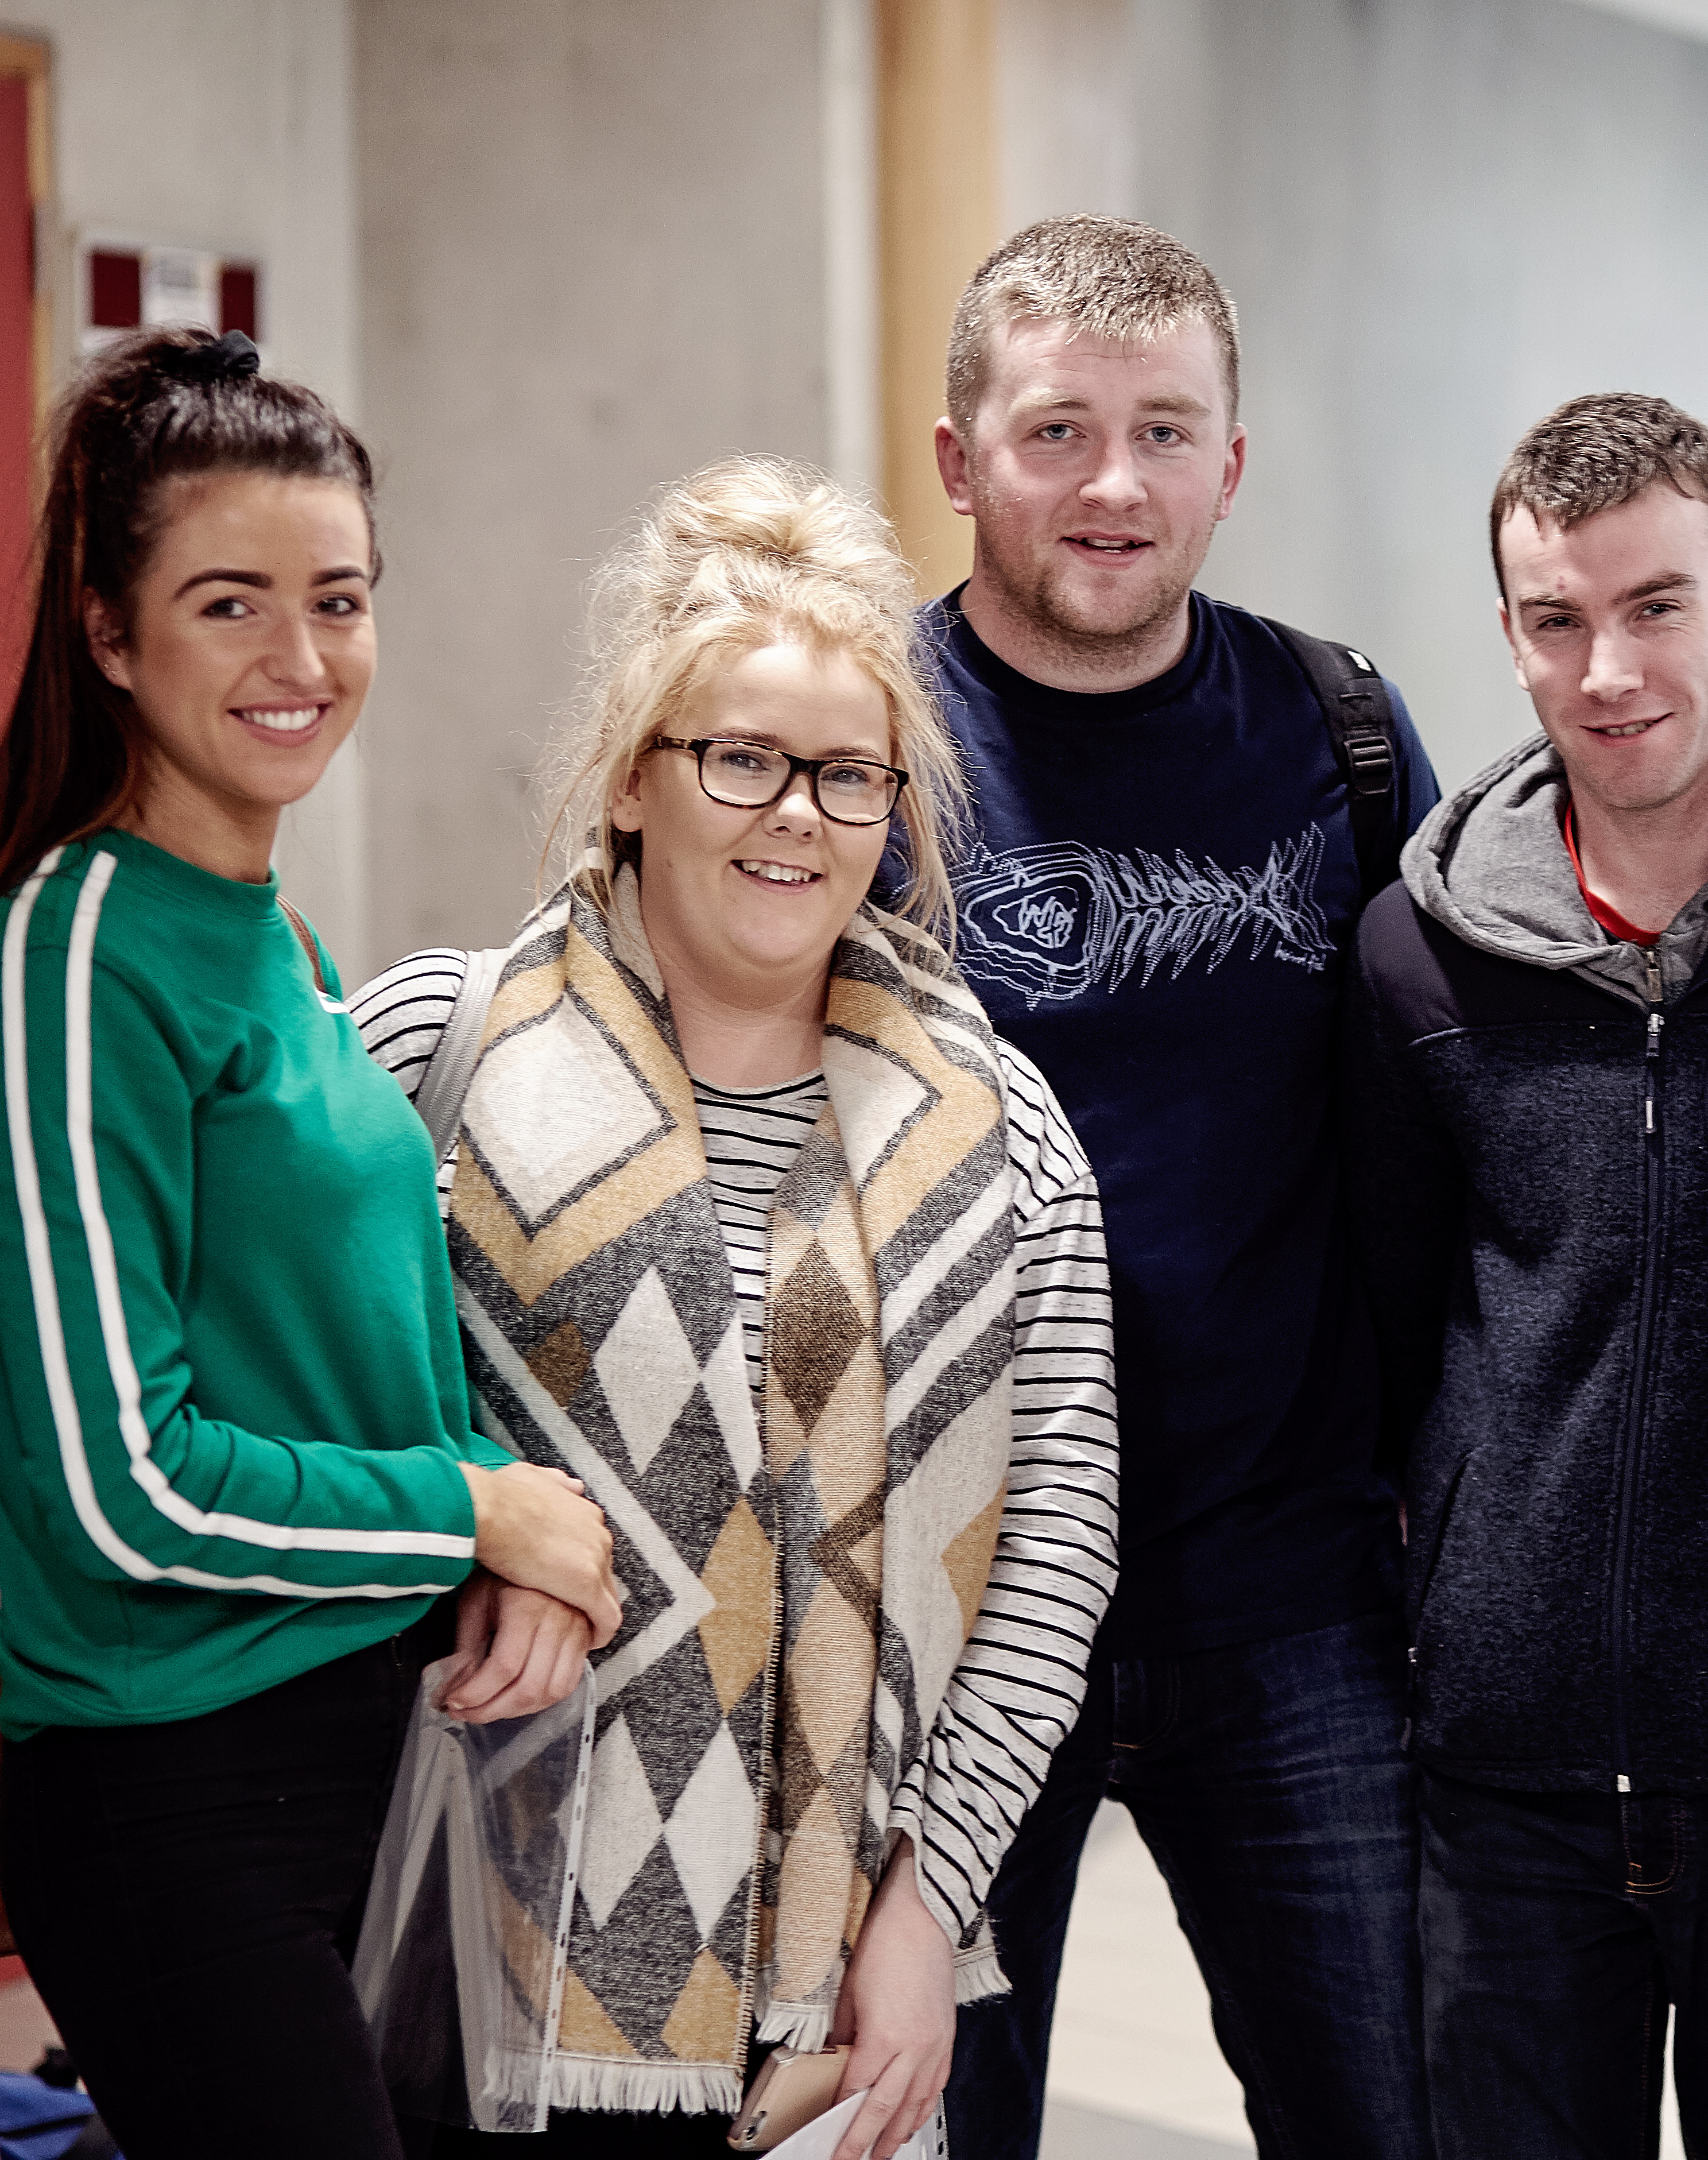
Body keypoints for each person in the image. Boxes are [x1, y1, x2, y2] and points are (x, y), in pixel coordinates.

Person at [353, 456, 1120, 2159]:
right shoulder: (430, 1057)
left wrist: (929, 1912)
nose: (798, 816)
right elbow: (289, 1414)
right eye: (744, 760)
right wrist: (481, 1524)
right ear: (634, 782)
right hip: (482, 1971)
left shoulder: (999, 1133)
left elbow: (1056, 1552)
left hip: (840, 1989)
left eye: (851, 776)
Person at [0, 325, 621, 2160]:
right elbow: (117, 1490)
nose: (302, 661)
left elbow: (363, 1359)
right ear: (106, 629)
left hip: (368, 1755)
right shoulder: (70, 962)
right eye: (230, 604)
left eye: (341, 599)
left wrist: (507, 1535)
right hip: (173, 1800)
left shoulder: (286, 952)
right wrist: (479, 1509)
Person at [1346, 393, 1708, 2157]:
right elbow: (1392, 1327)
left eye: (1656, 607)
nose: (1607, 668)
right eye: (1556, 620)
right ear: (1513, 634)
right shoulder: (1417, 950)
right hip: (1506, 1775)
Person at [920, 216, 1441, 2160]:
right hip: (949, 1607)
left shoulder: (1341, 732)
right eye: (1057, 429)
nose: (1114, 482)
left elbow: (1451, 1123)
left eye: (1164, 429)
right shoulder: (852, 751)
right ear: (960, 455)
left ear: (1235, 461)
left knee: (1389, 2120)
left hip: (1290, 1593)